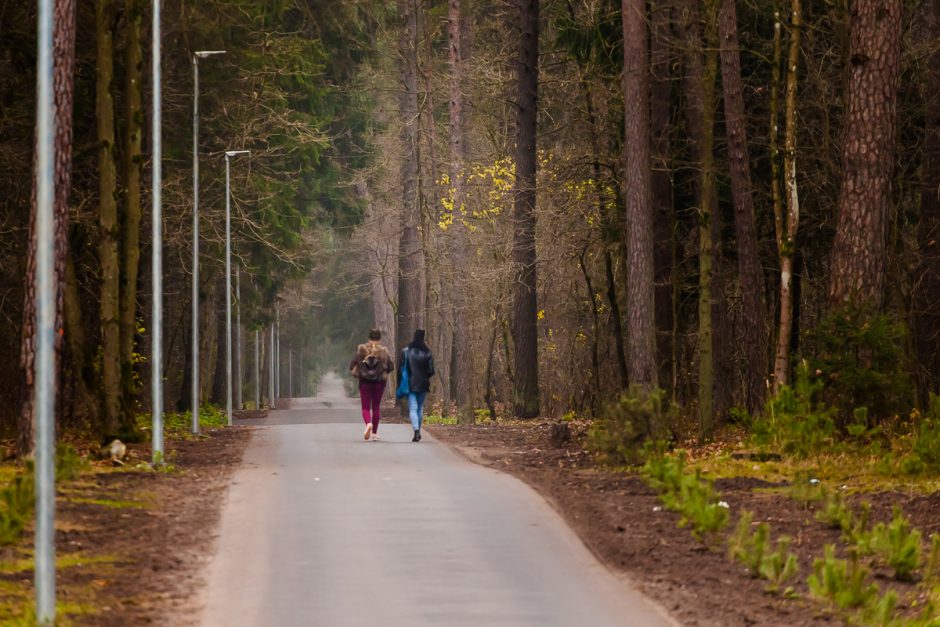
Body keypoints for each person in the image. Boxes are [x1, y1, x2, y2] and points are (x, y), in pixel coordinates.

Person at [349, 329, 394, 441]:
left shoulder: (362, 350)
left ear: (369, 337)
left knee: (365, 407)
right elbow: (391, 366)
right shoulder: (383, 351)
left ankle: (368, 423)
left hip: (364, 382)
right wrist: (382, 373)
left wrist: (359, 371)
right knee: (376, 408)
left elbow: (352, 365)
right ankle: (374, 434)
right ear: (379, 338)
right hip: (379, 383)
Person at [398, 329, 435, 442]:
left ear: (414, 336)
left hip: (410, 383)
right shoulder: (427, 352)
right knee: (420, 408)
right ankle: (418, 430)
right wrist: (425, 377)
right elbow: (431, 370)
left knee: (413, 408)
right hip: (423, 383)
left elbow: (401, 368)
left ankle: (416, 431)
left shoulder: (406, 351)